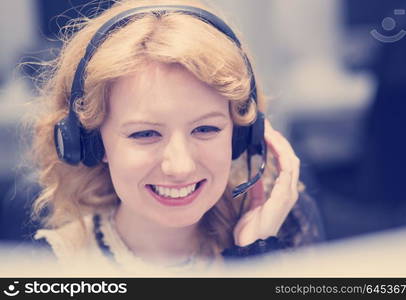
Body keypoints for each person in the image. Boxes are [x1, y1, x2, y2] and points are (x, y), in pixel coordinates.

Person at [26, 0, 324, 273]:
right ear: (91, 141)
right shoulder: (55, 263)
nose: (180, 167)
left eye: (205, 129)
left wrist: (256, 254)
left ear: (242, 134)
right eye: (145, 133)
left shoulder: (282, 228)